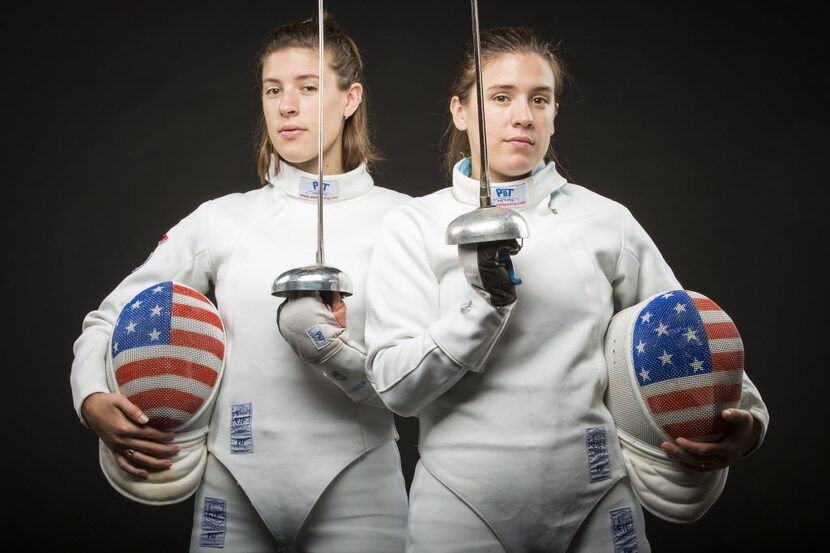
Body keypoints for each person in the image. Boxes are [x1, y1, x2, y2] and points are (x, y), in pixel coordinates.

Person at [364, 26, 768, 553]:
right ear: (461, 113)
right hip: (462, 502)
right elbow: (397, 388)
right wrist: (483, 306)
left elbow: (688, 333)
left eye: (540, 99)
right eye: (500, 98)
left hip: (597, 494)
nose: (522, 116)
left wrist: (749, 422)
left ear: (554, 115)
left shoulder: (605, 220)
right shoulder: (415, 224)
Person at [70, 15, 409, 553]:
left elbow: (428, 374)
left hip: (360, 484)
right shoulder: (221, 220)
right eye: (273, 89)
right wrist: (90, 395)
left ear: (351, 98)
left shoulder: (406, 220)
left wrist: (335, 350)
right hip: (233, 479)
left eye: (309, 87)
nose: (287, 105)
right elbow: (109, 318)